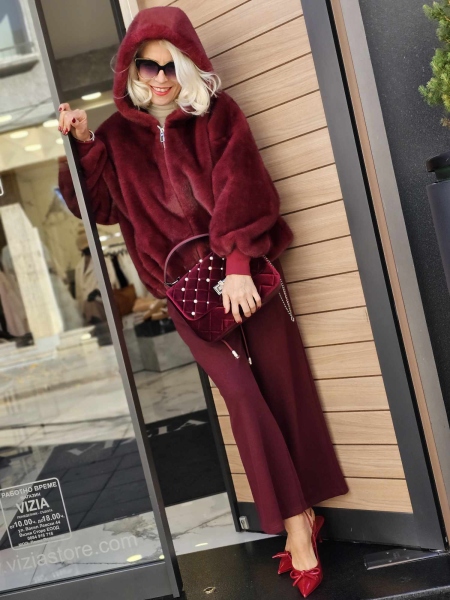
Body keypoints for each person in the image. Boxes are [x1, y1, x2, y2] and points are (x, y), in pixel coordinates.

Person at [58, 6, 349, 596]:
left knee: (283, 388)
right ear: (131, 69)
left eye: (172, 65)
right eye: (149, 66)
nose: (161, 78)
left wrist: (238, 266)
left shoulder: (216, 115)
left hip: (246, 275)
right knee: (242, 396)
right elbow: (97, 209)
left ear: (189, 65)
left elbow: (247, 188)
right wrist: (84, 147)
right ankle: (297, 525)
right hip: (183, 292)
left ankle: (305, 515)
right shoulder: (115, 137)